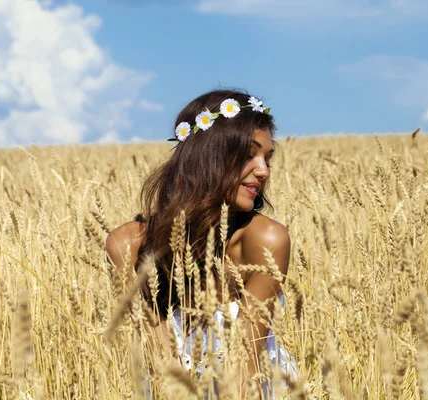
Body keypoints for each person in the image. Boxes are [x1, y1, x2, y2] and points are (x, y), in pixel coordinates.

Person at [106, 89, 297, 396]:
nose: (263, 171)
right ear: (208, 155)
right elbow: (161, 361)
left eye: (267, 158)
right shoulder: (128, 244)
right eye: (250, 155)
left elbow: (244, 366)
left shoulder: (266, 240)